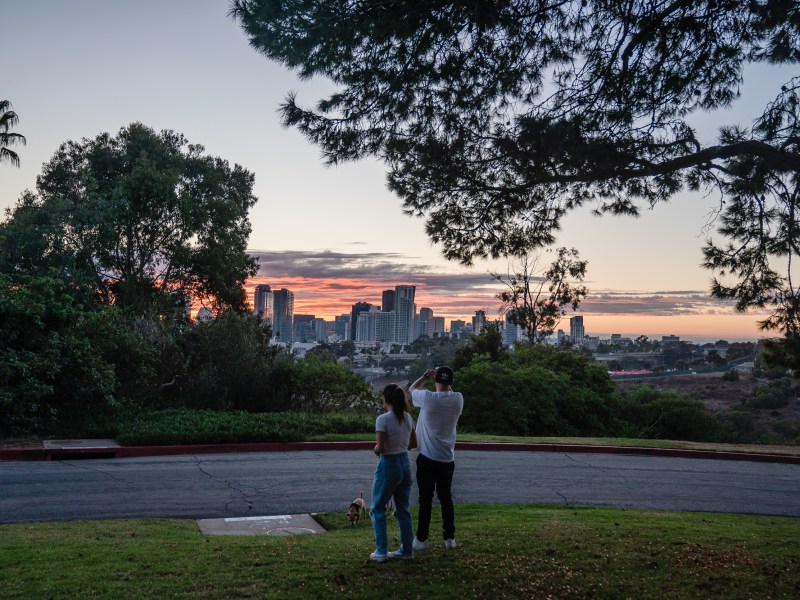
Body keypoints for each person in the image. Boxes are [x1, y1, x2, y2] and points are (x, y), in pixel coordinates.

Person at [409, 365, 464, 551]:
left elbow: (411, 390)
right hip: (447, 459)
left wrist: (425, 376)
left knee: (425, 499)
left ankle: (422, 539)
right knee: (446, 498)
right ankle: (449, 538)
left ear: (435, 380)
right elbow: (451, 392)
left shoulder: (428, 398)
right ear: (451, 383)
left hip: (427, 458)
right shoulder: (458, 399)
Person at [370, 384, 417, 562]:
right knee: (403, 509)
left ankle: (381, 551)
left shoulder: (383, 419)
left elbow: (380, 448)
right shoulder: (408, 418)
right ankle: (407, 551)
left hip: (388, 465)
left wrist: (375, 448)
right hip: (405, 463)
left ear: (386, 399)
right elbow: (413, 444)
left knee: (377, 508)